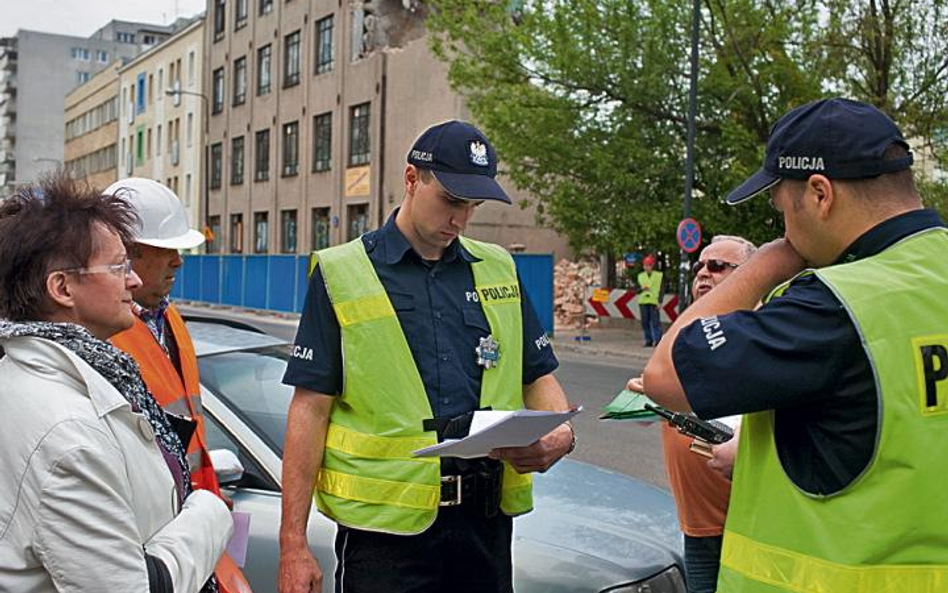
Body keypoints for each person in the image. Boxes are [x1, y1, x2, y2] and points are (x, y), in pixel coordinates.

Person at [642, 98, 948, 592]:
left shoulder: (835, 304)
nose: (782, 224)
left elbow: (665, 376)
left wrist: (767, 262)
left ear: (820, 194)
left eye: (781, 205)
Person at [278, 120, 574, 593]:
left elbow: (536, 374)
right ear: (412, 179)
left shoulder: (497, 267)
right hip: (385, 540)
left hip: (485, 528)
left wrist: (560, 432)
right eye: (451, 202)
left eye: (472, 206)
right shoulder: (341, 272)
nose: (460, 220)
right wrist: (292, 543)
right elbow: (310, 409)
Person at [0, 174, 232, 592]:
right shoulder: (69, 436)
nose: (134, 280)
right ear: (62, 287)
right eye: (118, 266)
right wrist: (210, 514)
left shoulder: (70, 379)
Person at [106, 177, 252, 593]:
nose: (179, 262)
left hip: (196, 526)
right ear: (127, 253)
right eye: (166, 249)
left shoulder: (168, 321)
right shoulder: (100, 335)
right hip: (150, 546)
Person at [630, 235, 756, 593]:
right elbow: (648, 412)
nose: (703, 273)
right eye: (701, 265)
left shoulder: (760, 329)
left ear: (750, 273)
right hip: (698, 523)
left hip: (746, 524)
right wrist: (640, 398)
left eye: (716, 266)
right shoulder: (686, 332)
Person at [637, 254, 663, 346]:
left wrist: (660, 301)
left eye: (648, 265)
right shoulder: (640, 276)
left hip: (654, 301)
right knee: (645, 322)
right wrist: (641, 289)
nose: (646, 267)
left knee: (655, 322)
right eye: (645, 265)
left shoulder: (658, 276)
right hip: (643, 301)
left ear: (652, 266)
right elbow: (637, 290)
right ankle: (648, 340)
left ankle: (658, 340)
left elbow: (661, 289)